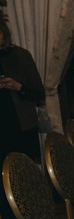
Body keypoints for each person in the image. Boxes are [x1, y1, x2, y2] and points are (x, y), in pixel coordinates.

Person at [0, 19, 45, 161]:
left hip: (21, 126)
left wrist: (18, 87)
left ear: (4, 34)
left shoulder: (20, 55)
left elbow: (39, 93)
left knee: (24, 168)